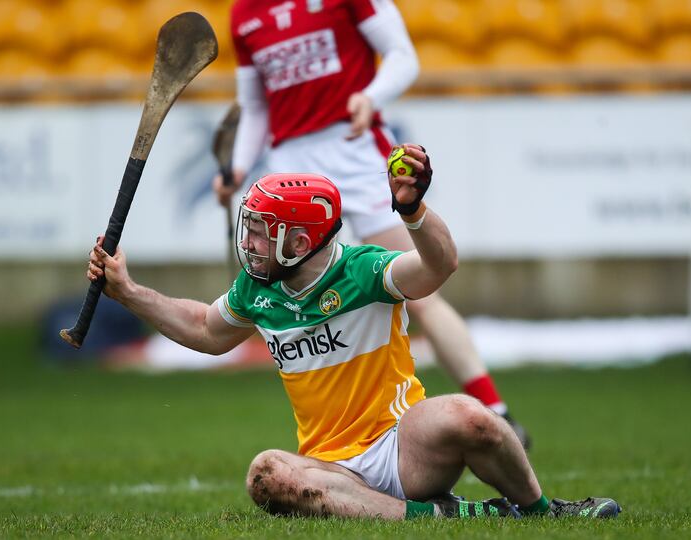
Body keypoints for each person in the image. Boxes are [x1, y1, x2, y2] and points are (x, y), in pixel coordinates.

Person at [89, 144, 620, 520]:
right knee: (266, 473)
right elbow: (205, 329)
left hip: (403, 448)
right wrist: (128, 291)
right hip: (328, 469)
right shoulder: (257, 289)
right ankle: (445, 516)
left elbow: (439, 266)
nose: (248, 244)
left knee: (470, 416)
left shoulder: (364, 270)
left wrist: (412, 211)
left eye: (261, 233)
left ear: (300, 243)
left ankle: (542, 510)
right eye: (248, 229)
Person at [213, 0, 531, 447]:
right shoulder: (244, 12)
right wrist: (238, 168)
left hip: (355, 149)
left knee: (421, 291)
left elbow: (403, 57)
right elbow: (255, 105)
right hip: (291, 169)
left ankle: (495, 411)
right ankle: (338, 432)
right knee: (297, 305)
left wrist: (371, 97)